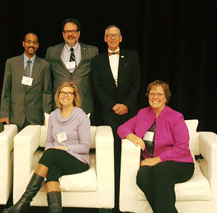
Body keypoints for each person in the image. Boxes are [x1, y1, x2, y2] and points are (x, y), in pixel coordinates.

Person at [3, 82, 91, 213]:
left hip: (78, 160)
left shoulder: (81, 116)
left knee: (51, 153)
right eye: (62, 92)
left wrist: (64, 149)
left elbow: (85, 147)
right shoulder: (54, 115)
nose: (65, 95)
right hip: (56, 158)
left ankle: (25, 201)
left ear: (74, 96)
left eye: (69, 93)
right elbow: (49, 140)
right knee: (52, 171)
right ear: (58, 95)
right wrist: (52, 154)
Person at [117, 80, 194, 213]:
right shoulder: (142, 113)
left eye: (159, 94)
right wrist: (132, 136)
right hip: (152, 163)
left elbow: (182, 148)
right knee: (142, 176)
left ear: (166, 97)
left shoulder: (176, 117)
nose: (155, 97)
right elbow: (122, 128)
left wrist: (157, 160)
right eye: (152, 94)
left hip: (180, 163)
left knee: (160, 171)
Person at [91, 24, 141, 212]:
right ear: (104, 39)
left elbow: (137, 83)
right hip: (108, 113)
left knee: (130, 152)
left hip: (130, 112)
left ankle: (129, 198)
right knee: (111, 154)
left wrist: (126, 104)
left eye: (115, 35)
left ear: (121, 38)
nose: (112, 38)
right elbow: (97, 87)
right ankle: (109, 199)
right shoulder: (97, 60)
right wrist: (112, 105)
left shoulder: (133, 55)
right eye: (108, 36)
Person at [0, 32, 52, 131]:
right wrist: (4, 114)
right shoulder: (11, 63)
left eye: (34, 42)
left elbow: (47, 93)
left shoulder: (45, 65)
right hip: (14, 117)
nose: (31, 45)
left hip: (35, 117)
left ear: (38, 45)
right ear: (23, 43)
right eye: (28, 42)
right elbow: (6, 90)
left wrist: (46, 116)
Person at [45, 18, 98, 116]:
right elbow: (46, 80)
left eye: (73, 31)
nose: (70, 34)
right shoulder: (52, 52)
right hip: (60, 104)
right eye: (67, 31)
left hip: (84, 103)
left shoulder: (92, 52)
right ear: (63, 34)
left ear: (78, 33)